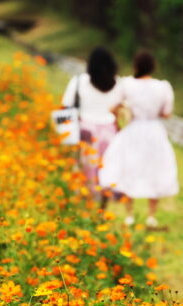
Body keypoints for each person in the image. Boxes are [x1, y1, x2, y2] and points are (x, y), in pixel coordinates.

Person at [98, 51, 177, 228]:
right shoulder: (162, 87)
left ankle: (129, 215)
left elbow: (112, 107)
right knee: (154, 169)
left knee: (129, 168)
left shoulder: (126, 85)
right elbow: (166, 113)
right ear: (153, 67)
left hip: (133, 129)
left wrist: (124, 114)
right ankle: (151, 215)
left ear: (135, 66)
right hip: (154, 131)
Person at [61, 47, 124, 201]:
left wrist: (65, 136)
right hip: (109, 132)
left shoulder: (79, 81)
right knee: (106, 172)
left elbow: (66, 106)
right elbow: (119, 109)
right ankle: (103, 204)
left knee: (85, 172)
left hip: (85, 131)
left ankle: (85, 203)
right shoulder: (117, 83)